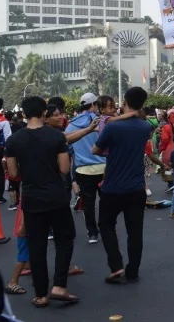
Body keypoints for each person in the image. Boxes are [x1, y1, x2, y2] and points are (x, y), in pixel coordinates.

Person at [4, 96, 79, 307]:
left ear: (24, 114)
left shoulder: (14, 140)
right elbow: (64, 169)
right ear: (45, 112)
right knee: (64, 240)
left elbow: (13, 173)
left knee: (36, 246)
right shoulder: (56, 137)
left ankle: (40, 295)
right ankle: (59, 286)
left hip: (31, 198)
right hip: (56, 196)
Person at [91, 87, 153, 283]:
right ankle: (133, 271)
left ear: (124, 101)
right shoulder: (145, 128)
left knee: (106, 225)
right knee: (135, 231)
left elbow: (96, 150)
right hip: (136, 187)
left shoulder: (112, 127)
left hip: (112, 186)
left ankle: (116, 265)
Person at [66, 92, 104, 244]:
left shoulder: (70, 126)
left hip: (83, 170)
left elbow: (69, 149)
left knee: (88, 204)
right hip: (104, 168)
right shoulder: (100, 122)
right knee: (106, 201)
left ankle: (92, 233)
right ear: (93, 105)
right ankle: (106, 228)